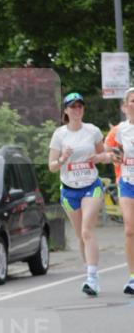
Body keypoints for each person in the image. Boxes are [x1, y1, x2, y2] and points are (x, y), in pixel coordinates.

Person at [49, 92, 111, 296]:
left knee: (87, 230)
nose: (77, 110)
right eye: (72, 106)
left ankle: (92, 278)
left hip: (90, 186)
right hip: (69, 190)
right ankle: (90, 274)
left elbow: (104, 155)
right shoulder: (59, 134)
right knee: (80, 236)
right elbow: (52, 166)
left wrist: (99, 157)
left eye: (80, 106)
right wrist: (63, 158)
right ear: (65, 110)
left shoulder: (92, 131)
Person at [105, 86, 134, 295]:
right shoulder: (119, 130)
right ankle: (133, 277)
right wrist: (113, 156)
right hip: (127, 182)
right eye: (132, 100)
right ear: (125, 106)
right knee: (129, 229)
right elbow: (106, 150)